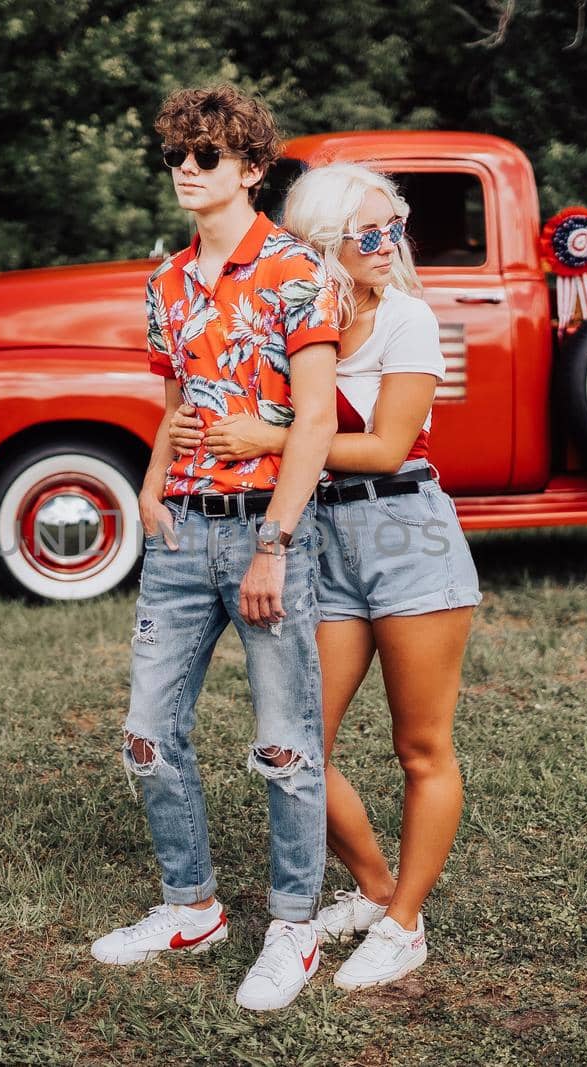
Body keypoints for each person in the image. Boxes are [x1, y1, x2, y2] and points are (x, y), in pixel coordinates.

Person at [169, 163, 480, 990]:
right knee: (297, 744)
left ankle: (406, 923)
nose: (389, 245)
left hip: (406, 532)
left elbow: (384, 446)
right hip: (317, 537)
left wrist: (272, 441)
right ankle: (379, 892)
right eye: (367, 235)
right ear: (321, 247)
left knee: (421, 745)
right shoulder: (291, 324)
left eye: (394, 227)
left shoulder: (409, 320)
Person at [88, 85, 341, 1013]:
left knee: (283, 746)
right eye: (176, 158)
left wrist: (275, 541)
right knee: (147, 737)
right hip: (180, 534)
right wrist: (151, 485)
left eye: (207, 157)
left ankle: (293, 926)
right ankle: (190, 905)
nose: (187, 171)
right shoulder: (164, 282)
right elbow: (175, 404)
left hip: (266, 533)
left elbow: (314, 419)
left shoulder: (297, 272)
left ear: (253, 169)